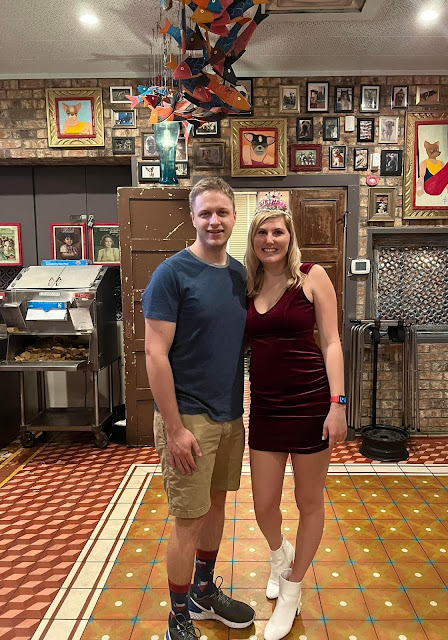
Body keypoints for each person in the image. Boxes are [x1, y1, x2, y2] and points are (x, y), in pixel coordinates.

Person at [142, 177, 254, 640]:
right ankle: (178, 616)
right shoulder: (172, 274)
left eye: (222, 212)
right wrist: (173, 428)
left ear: (234, 217)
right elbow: (154, 353)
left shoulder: (239, 275)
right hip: (187, 417)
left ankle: (203, 592)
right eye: (205, 213)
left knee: (216, 507)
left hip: (229, 415)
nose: (214, 221)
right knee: (188, 520)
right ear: (192, 217)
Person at [244, 194, 347, 640]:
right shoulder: (247, 285)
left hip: (310, 404)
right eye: (262, 232)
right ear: (253, 239)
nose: (270, 239)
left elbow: (332, 341)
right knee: (263, 504)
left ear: (290, 236)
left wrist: (338, 403)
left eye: (278, 231)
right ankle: (278, 554)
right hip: (266, 407)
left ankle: (292, 587)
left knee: (309, 502)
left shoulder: (311, 276)